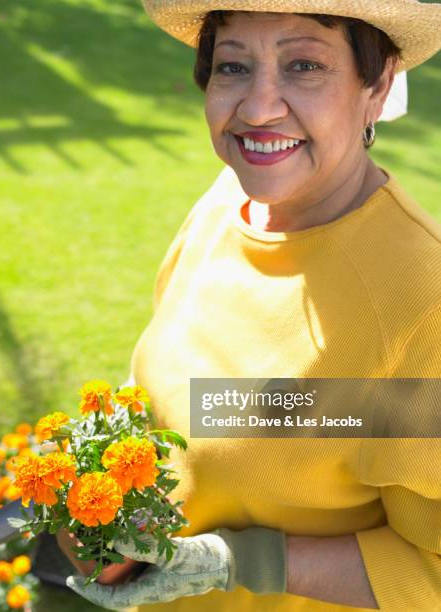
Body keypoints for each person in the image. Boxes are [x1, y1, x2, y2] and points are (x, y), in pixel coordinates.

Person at [67, 1, 441, 610]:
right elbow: (175, 386)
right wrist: (94, 474)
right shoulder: (224, 204)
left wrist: (234, 563)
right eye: (233, 67)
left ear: (378, 85)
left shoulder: (421, 304)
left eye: (304, 66)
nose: (259, 108)